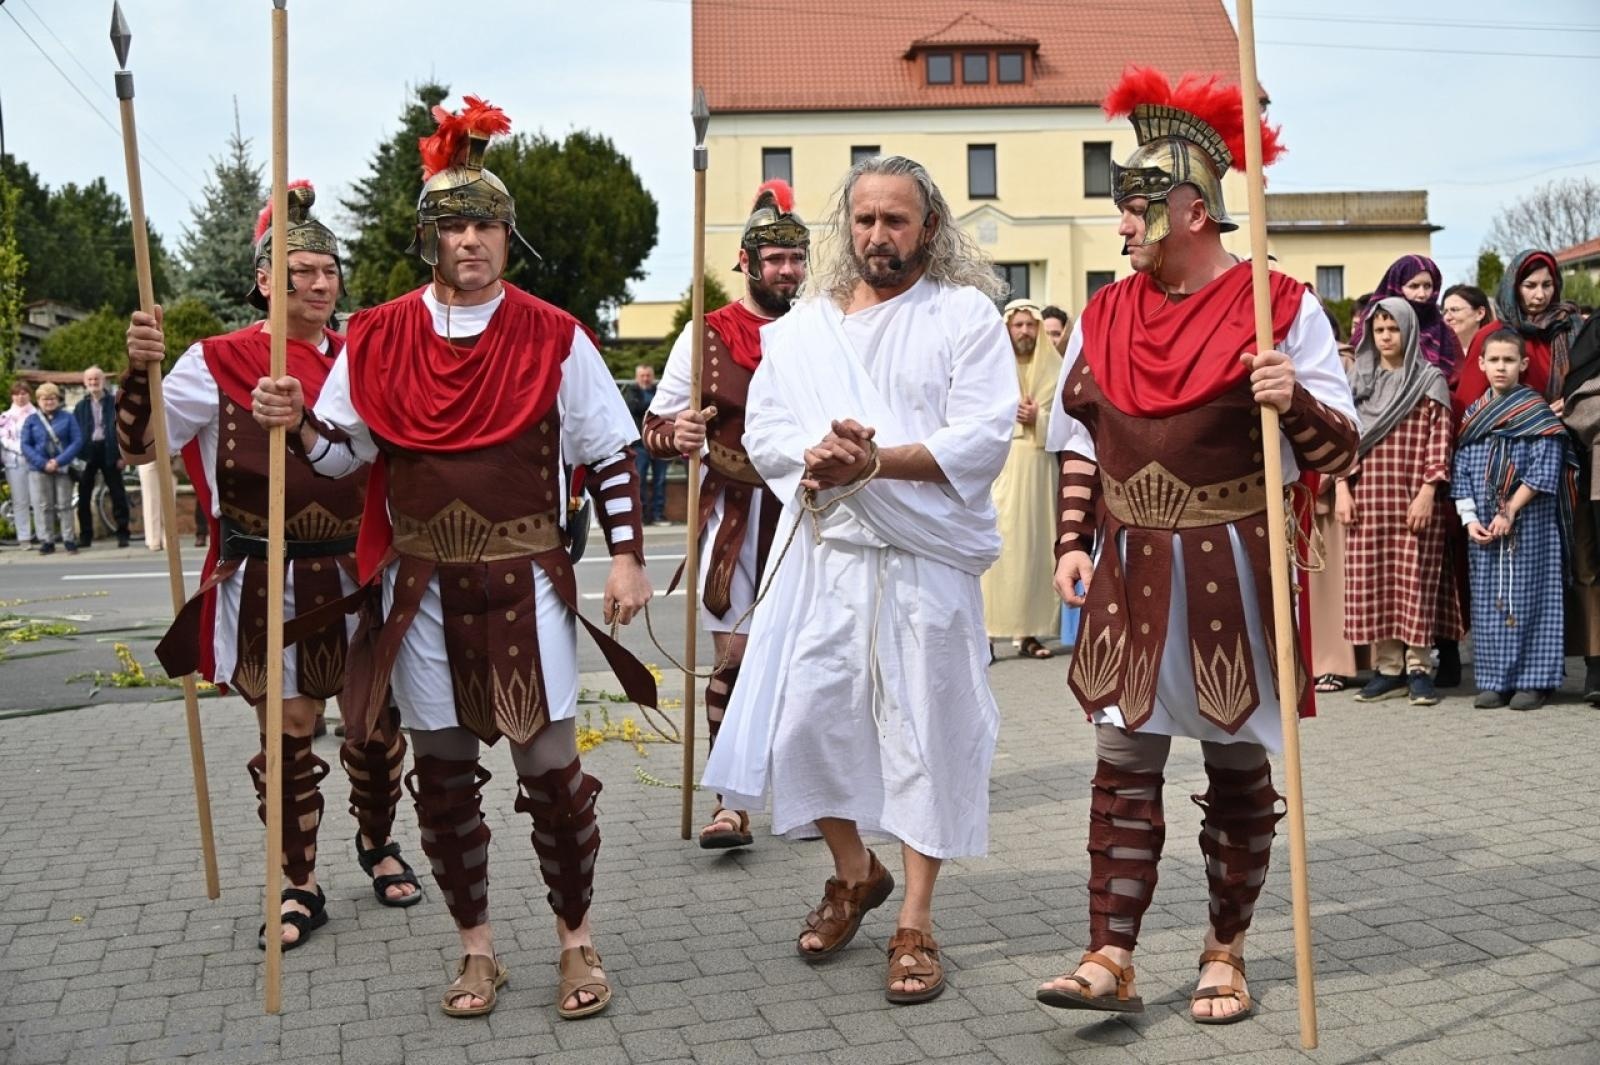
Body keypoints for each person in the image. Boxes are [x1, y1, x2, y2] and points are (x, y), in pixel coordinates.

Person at [251, 97, 655, 1021]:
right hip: (422, 586)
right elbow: (344, 453)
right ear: (428, 237)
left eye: (486, 225)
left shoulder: (555, 333)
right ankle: (477, 948)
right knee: (441, 778)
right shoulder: (379, 335)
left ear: (508, 237)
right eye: (453, 225)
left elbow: (608, 452)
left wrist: (627, 558)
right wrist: (298, 425)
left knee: (552, 773)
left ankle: (576, 939)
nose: (470, 240)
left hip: (527, 578)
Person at [1037, 67, 1359, 1025]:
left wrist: (1290, 399)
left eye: (1132, 208)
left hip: (1231, 561)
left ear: (1188, 209)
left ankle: (1226, 950)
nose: (1120, 227)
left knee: (1236, 765)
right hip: (1130, 561)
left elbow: (1342, 448)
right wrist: (1070, 540)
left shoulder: (1280, 306)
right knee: (1121, 759)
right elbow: (1082, 437)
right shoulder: (1103, 315)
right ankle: (1110, 952)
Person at [703, 154, 1016, 1006]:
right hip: (829, 554)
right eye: (866, 218)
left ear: (930, 227)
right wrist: (813, 455)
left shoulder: (963, 315)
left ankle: (915, 918)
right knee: (804, 721)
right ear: (849, 225)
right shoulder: (806, 327)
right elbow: (766, 427)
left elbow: (983, 435)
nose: (879, 234)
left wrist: (874, 462)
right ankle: (855, 870)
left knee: (926, 732)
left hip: (926, 561)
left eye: (896, 220)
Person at [121, 181, 421, 951]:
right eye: (302, 272)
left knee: (374, 728)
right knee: (288, 732)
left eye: (329, 270)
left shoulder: (361, 357)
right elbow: (142, 446)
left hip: (357, 569)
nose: (321, 284)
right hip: (267, 575)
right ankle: (298, 880)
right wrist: (137, 373)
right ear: (264, 280)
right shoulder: (217, 359)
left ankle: (379, 842)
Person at [643, 178, 807, 848]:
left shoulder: (821, 329)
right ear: (746, 262)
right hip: (734, 515)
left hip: (807, 514)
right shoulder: (705, 334)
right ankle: (730, 802)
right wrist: (678, 434)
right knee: (734, 656)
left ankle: (809, 796)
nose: (788, 270)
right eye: (775, 259)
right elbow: (654, 427)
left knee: (808, 661)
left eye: (796, 258)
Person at [1337, 299, 1458, 705]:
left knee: (1415, 581)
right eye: (1379, 330)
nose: (1387, 337)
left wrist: (1428, 491)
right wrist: (1341, 488)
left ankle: (1419, 668)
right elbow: (1344, 441)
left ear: (1409, 331)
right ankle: (1388, 669)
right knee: (1375, 582)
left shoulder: (1428, 380)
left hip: (1413, 500)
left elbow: (1440, 439)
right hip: (1368, 500)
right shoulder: (1359, 381)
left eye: (1394, 329)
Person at [1453, 330, 1574, 711]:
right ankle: (1495, 680)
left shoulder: (1536, 412)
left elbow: (1545, 467)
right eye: (1494, 360)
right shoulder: (1474, 415)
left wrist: (1510, 510)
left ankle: (1533, 681)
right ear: (1481, 364)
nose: (1501, 367)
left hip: (1530, 524)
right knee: (1491, 602)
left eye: (1508, 360)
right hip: (1484, 527)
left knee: (1533, 598)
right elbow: (1461, 470)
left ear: (1523, 364)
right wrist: (1469, 518)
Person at [982, 298, 1063, 659]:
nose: (1025, 331)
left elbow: (1067, 421)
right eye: (1018, 325)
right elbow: (975, 412)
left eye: (1031, 325)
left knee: (1036, 549)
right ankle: (985, 632)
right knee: (997, 548)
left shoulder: (1055, 368)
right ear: (1008, 329)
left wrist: (1038, 418)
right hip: (1002, 464)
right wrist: (1008, 414)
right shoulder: (990, 367)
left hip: (1040, 467)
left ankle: (1029, 633)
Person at [1350, 255, 1463, 384]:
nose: (1422, 294)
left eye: (1427, 286)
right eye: (1414, 286)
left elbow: (1459, 380)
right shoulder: (1370, 326)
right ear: (1396, 286)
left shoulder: (1444, 332)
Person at [73, 366, 132, 548]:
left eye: (96, 379)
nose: (93, 382)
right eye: (90, 380)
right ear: (85, 383)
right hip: (88, 453)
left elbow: (125, 429)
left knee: (117, 494)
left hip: (110, 451)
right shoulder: (80, 406)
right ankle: (85, 536)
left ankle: (123, 533)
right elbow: (75, 432)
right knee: (84, 496)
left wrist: (124, 455)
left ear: (103, 381)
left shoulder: (115, 402)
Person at [20, 382, 82, 555]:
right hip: (39, 469)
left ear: (58, 399)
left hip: (62, 467)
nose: (48, 402)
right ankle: (47, 541)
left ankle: (69, 539)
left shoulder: (68, 417)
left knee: (65, 505)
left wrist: (58, 461)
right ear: (38, 400)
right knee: (44, 506)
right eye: (44, 399)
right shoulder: (31, 420)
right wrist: (43, 463)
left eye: (52, 398)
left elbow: (77, 441)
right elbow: (25, 445)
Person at [622, 364, 670, 526]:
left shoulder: (660, 392)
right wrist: (653, 409)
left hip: (659, 443)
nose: (645, 378)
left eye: (648, 375)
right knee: (639, 480)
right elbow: (633, 408)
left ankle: (658, 515)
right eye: (642, 375)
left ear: (653, 376)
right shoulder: (631, 392)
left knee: (660, 480)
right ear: (637, 377)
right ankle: (642, 515)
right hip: (640, 445)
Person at [2, 381, 39, 548]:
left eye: (23, 393)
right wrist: (23, 449)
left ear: (29, 395)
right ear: (12, 396)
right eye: (16, 394)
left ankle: (44, 536)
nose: (20, 397)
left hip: (36, 462)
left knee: (39, 500)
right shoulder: (5, 417)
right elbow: (5, 439)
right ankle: (24, 538)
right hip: (15, 463)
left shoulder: (38, 414)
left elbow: (41, 438)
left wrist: (32, 452)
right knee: (20, 501)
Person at [1442, 283, 1495, 356]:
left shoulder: (1499, 351)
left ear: (1480, 313)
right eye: (1445, 312)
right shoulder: (1436, 354)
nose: (1447, 317)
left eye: (1454, 310)